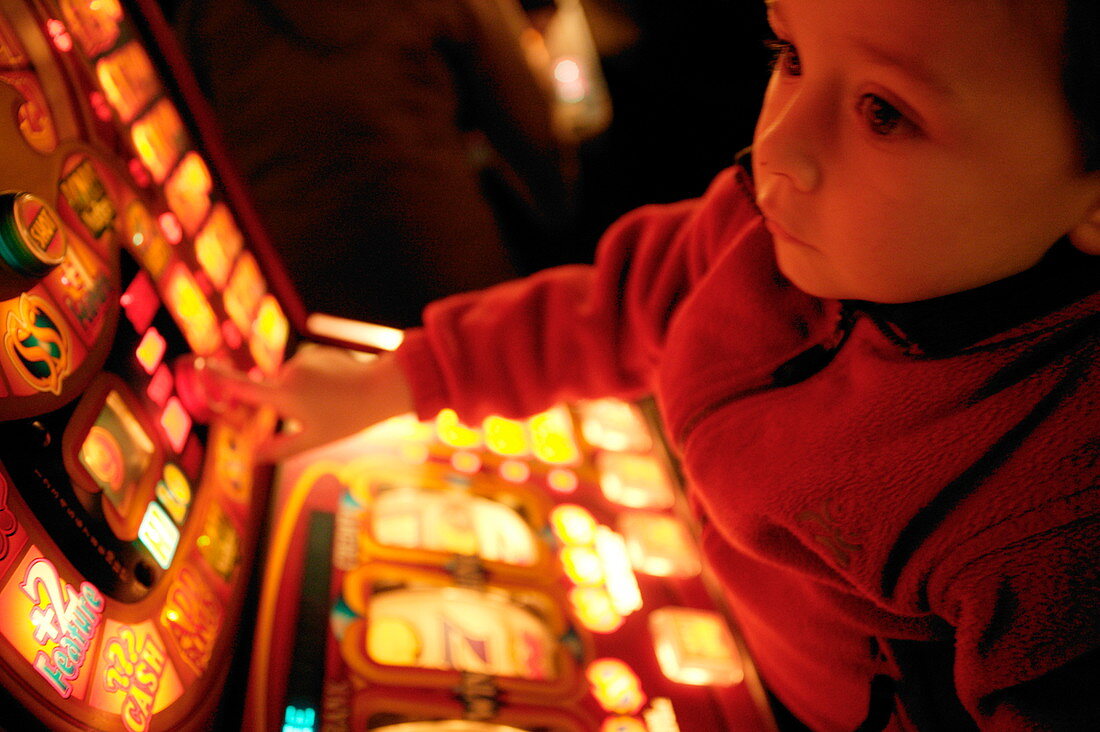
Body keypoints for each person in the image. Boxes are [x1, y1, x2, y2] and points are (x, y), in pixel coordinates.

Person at [205, 0, 1100, 728]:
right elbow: (613, 304)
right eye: (787, 53)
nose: (777, 151)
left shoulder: (1052, 507)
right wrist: (397, 379)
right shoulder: (759, 230)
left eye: (884, 112)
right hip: (718, 608)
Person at [165, 0, 578, 328]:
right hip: (457, 292)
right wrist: (565, 228)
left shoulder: (205, 13)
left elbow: (185, 156)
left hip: (307, 312)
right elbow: (531, 131)